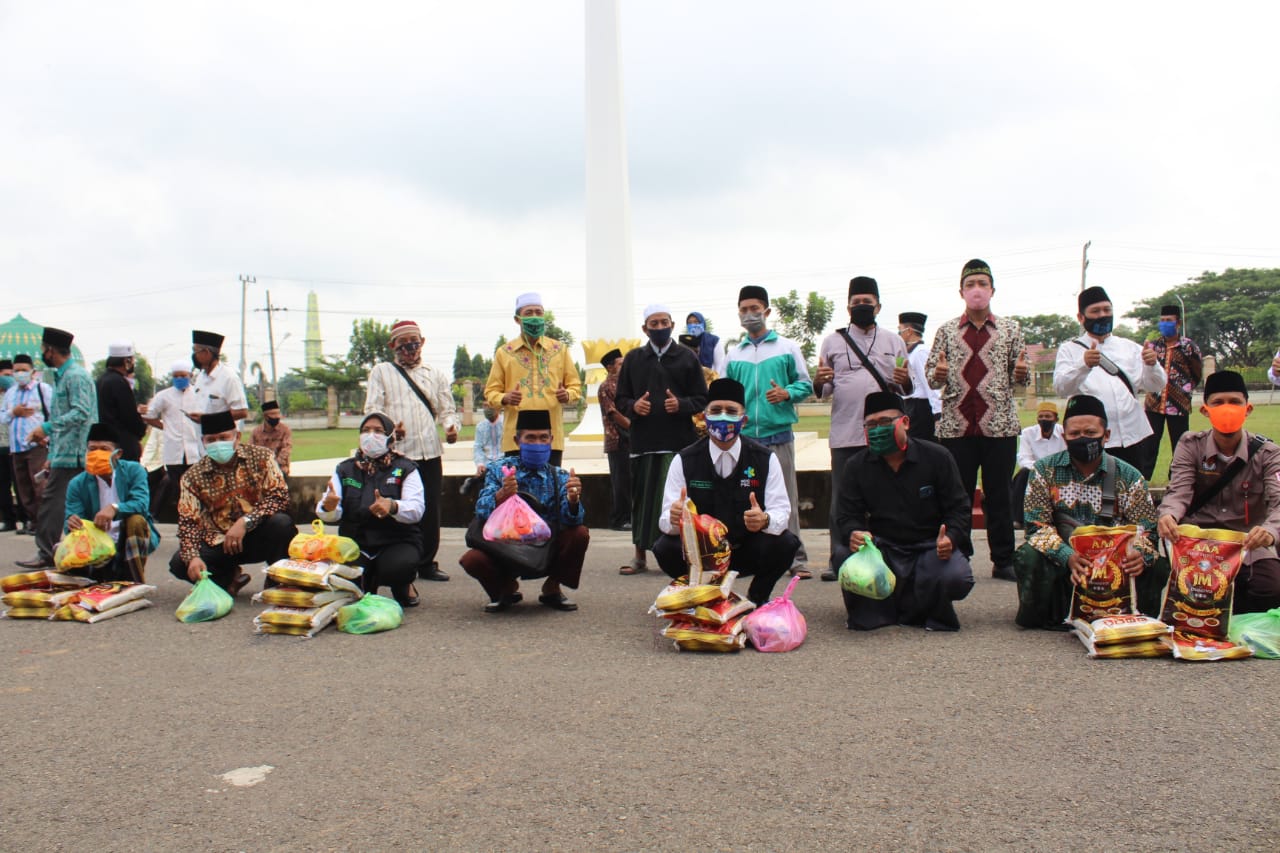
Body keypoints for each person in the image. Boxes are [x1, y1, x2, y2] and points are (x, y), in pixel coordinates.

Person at [1012, 394, 1166, 630]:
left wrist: (1140, 554)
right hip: (1065, 562)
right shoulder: (1044, 470)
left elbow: (1147, 530)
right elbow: (1036, 528)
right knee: (1028, 555)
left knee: (1157, 564)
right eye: (1074, 434)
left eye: (1090, 433)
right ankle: (1045, 614)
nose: (1082, 439)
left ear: (1107, 435)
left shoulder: (1129, 476)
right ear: (1064, 437)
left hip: (1115, 566)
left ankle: (1138, 615)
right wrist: (1068, 556)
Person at [925, 259, 1030, 582]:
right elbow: (931, 378)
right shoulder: (946, 331)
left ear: (992, 290)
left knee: (1000, 495)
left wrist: (1021, 373)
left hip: (999, 425)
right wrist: (938, 373)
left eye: (982, 283)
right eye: (970, 284)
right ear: (961, 292)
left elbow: (1022, 379)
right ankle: (959, 554)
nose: (977, 290)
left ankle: (1004, 559)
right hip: (956, 426)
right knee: (958, 496)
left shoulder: (1011, 330)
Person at [834, 391, 975, 631]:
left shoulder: (937, 457)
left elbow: (959, 509)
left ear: (905, 422)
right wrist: (854, 532)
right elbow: (846, 515)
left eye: (885, 422)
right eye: (871, 425)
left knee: (955, 577)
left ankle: (912, 605)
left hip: (930, 547)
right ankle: (881, 611)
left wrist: (950, 538)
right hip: (882, 548)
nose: (878, 430)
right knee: (843, 556)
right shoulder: (856, 466)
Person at [654, 378, 800, 606]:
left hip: (747, 548)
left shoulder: (764, 459)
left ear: (744, 419)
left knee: (786, 543)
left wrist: (764, 520)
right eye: (716, 410)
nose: (723, 417)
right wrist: (674, 519)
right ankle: (703, 596)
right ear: (704, 417)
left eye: (731, 411)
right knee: (665, 547)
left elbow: (781, 511)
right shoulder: (684, 460)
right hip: (703, 554)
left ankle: (757, 598)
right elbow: (665, 521)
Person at [1157, 371, 1280, 614]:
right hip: (1199, 544)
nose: (1227, 408)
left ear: (1247, 408)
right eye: (1218, 402)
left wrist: (1269, 531)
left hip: (1247, 543)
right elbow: (1179, 490)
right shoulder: (1191, 445)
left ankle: (1237, 619)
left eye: (1235, 402)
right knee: (1191, 595)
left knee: (1271, 587)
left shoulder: (1268, 453)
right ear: (1205, 410)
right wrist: (1169, 515)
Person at [814, 276, 912, 581]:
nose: (861, 307)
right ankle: (839, 558)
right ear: (848, 307)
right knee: (842, 500)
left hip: (885, 434)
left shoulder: (894, 341)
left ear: (878, 306)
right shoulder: (832, 341)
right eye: (856, 303)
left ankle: (890, 555)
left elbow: (906, 388)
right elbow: (823, 390)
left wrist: (905, 379)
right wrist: (818, 380)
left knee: (888, 497)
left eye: (867, 302)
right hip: (845, 432)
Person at [725, 285, 815, 578]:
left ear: (767, 311)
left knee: (785, 498)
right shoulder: (733, 354)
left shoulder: (786, 348)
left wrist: (787, 393)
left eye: (755, 308)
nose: (749, 314)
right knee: (745, 499)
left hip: (777, 435)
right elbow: (724, 393)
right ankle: (746, 557)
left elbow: (805, 384)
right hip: (744, 439)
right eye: (744, 309)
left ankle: (796, 558)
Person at [460, 410, 588, 613]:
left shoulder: (559, 476)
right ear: (517, 441)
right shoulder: (499, 470)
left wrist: (573, 500)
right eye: (530, 438)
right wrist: (502, 494)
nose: (537, 444)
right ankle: (505, 588)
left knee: (579, 533)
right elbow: (481, 509)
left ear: (551, 440)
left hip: (543, 547)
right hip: (504, 546)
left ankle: (552, 588)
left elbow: (572, 520)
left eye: (543, 438)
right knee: (472, 560)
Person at [615, 304, 709, 575]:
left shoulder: (687, 358)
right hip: (643, 443)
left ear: (672, 325)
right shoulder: (633, 359)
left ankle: (686, 555)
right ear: (645, 329)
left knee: (679, 503)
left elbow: (702, 398)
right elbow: (620, 399)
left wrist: (681, 404)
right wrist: (634, 406)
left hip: (678, 444)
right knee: (641, 501)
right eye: (653, 324)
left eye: (664, 322)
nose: (659, 328)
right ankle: (639, 556)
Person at [363, 319, 459, 583]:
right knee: (397, 507)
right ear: (392, 345)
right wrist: (390, 429)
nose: (409, 349)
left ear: (422, 343)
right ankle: (396, 560)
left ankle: (426, 563)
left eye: (414, 343)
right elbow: (372, 408)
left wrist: (451, 428)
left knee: (430, 509)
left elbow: (448, 410)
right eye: (403, 345)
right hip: (396, 454)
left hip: (429, 452)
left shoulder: (434, 374)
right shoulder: (381, 372)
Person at [168, 411, 294, 595]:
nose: (217, 444)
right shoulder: (192, 476)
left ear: (237, 437)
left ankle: (276, 577)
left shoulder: (261, 457)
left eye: (223, 438)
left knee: (282, 523)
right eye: (211, 440)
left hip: (258, 534)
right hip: (220, 542)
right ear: (203, 442)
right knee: (180, 563)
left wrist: (245, 521)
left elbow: (279, 497)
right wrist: (192, 556)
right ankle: (228, 579)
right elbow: (188, 521)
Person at [317, 412, 425, 607]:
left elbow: (416, 509)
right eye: (365, 430)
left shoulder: (405, 468)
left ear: (390, 438)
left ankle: (402, 585)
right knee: (346, 580)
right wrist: (328, 507)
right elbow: (328, 511)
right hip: (356, 542)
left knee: (398, 568)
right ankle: (367, 581)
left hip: (396, 540)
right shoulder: (344, 469)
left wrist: (393, 506)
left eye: (378, 431)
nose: (370, 435)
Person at [1053, 286, 1165, 473]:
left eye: (1107, 310)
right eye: (1095, 311)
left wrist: (1152, 365)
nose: (1102, 315)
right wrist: (1083, 365)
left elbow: (1156, 385)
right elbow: (1061, 387)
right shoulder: (1069, 350)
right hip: (1092, 438)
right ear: (1081, 317)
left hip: (1133, 436)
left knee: (1132, 487)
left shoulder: (1130, 347)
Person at [17, 327, 96, 570]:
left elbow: (81, 412)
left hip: (75, 453)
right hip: (64, 452)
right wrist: (52, 454)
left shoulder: (75, 376)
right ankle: (70, 552)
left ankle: (47, 552)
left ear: (51, 350)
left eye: (43, 349)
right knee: (68, 504)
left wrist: (46, 428)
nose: (42, 354)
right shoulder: (64, 376)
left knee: (53, 502)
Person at [484, 292, 582, 466]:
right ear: (517, 319)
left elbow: (575, 386)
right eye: (529, 313)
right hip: (516, 439)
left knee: (550, 482)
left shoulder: (560, 350)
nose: (535, 317)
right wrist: (505, 398)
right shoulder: (504, 353)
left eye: (539, 312)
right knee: (516, 483)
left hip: (550, 439)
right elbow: (490, 392)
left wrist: (567, 395)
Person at [62, 423, 160, 582]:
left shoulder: (133, 471)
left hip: (127, 538)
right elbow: (71, 518)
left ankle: (134, 581)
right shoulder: (77, 483)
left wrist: (115, 508)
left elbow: (141, 503)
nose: (97, 454)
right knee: (59, 551)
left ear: (118, 454)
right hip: (97, 542)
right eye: (92, 449)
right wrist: (72, 522)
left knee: (136, 521)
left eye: (104, 449)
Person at [1143, 304, 1202, 479]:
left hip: (1179, 404)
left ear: (1178, 323)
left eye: (1168, 320)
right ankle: (1143, 480)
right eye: (1162, 320)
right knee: (1149, 444)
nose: (1164, 323)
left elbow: (1196, 373)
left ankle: (1177, 479)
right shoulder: (1153, 346)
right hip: (1154, 404)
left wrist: (1183, 389)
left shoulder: (1188, 347)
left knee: (1180, 445)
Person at [1, 354, 53, 536]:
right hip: (16, 447)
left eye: (24, 370)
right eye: (17, 371)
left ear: (33, 371)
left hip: (37, 446)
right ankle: (33, 521)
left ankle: (44, 523)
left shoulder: (42, 389)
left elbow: (54, 414)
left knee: (40, 485)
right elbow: (2, 417)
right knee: (23, 488)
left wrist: (47, 436)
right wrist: (13, 412)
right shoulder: (11, 393)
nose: (20, 374)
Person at [143, 361, 202, 516]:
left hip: (195, 449)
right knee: (178, 488)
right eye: (176, 376)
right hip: (173, 449)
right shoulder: (163, 396)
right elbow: (149, 416)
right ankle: (184, 518)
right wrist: (164, 427)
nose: (179, 379)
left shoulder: (198, 394)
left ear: (190, 376)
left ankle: (196, 517)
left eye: (183, 376)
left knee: (196, 487)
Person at [1012, 402, 1067, 527]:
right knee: (1022, 474)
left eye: (1048, 416)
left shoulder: (1064, 433)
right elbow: (1023, 459)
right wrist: (1042, 470)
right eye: (1041, 416)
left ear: (1056, 419)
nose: (1044, 419)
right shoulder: (1028, 433)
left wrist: (1052, 471)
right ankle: (1017, 519)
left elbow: (1068, 456)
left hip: (1059, 472)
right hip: (1034, 472)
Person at [597, 348, 632, 532]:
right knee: (621, 482)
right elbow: (613, 413)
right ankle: (619, 519)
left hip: (630, 440)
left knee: (630, 480)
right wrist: (631, 425)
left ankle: (630, 517)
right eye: (620, 364)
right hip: (617, 440)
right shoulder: (606, 387)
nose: (624, 366)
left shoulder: (626, 384)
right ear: (610, 367)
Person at [96, 341, 147, 461]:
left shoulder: (101, 380)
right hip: (122, 444)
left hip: (105, 441)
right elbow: (129, 415)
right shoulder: (119, 382)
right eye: (132, 360)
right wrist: (141, 430)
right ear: (126, 361)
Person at [188, 330, 249, 426]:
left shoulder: (229, 378)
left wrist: (208, 419)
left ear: (206, 352)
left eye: (195, 351)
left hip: (221, 435)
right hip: (200, 434)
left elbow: (242, 412)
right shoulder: (200, 377)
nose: (194, 355)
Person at [897, 312, 938, 441]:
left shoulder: (921, 351)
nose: (898, 334)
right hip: (909, 407)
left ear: (909, 331)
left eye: (900, 330)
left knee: (921, 445)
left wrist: (938, 413)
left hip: (921, 408)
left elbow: (930, 384)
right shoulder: (908, 352)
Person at [463, 405, 504, 496]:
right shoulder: (481, 426)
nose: (487, 409)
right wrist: (480, 464)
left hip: (503, 463)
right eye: (485, 406)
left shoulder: (506, 423)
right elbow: (478, 447)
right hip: (487, 464)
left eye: (490, 405)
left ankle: (472, 481)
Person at [250, 400, 293, 475]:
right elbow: (250, 451)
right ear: (265, 416)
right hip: (260, 470)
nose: (277, 416)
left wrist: (274, 464)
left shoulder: (285, 430)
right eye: (273, 414)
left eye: (278, 413)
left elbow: (286, 449)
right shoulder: (256, 432)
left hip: (280, 469)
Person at [679, 311, 727, 377]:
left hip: (710, 379)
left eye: (696, 322)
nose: (693, 325)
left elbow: (719, 365)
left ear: (702, 323)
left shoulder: (714, 340)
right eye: (689, 323)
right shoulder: (684, 343)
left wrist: (716, 380)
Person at [0, 359, 16, 532]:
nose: (9, 379)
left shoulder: (15, 395)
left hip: (15, 447)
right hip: (1, 447)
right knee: (3, 485)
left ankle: (27, 519)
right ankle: (8, 519)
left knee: (21, 486)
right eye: (6, 375)